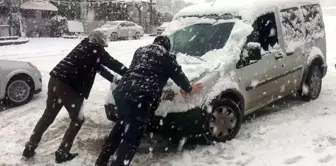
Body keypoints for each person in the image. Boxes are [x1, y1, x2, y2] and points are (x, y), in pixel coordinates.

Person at [22, 30, 128, 163]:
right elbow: (113, 63)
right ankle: (62, 152)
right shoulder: (96, 50)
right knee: (77, 120)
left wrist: (114, 79)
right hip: (69, 86)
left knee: (48, 116)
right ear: (100, 42)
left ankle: (30, 146)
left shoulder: (83, 46)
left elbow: (98, 67)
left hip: (55, 80)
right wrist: (129, 72)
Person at [95, 35, 203, 166]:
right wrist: (190, 88)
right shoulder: (166, 56)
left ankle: (102, 160)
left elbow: (141, 70)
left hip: (122, 92)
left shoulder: (140, 51)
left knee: (121, 126)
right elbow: (179, 76)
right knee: (131, 139)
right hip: (140, 97)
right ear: (167, 47)